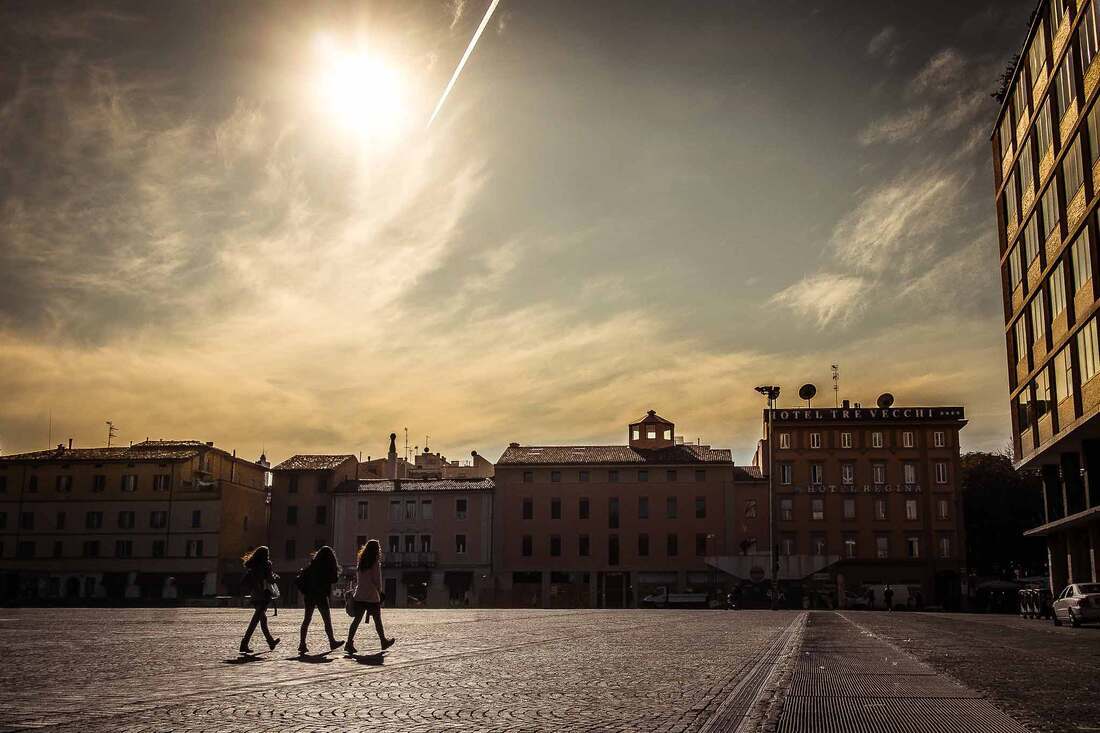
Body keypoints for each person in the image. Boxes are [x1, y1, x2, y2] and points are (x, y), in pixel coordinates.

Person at [345, 539, 395, 655]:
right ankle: (383, 641)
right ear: (376, 550)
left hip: (360, 594)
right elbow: (377, 579)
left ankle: (348, 643)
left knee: (356, 621)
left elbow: (360, 579)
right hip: (372, 595)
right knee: (378, 620)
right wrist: (380, 591)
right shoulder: (375, 562)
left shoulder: (361, 561)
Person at [297, 545, 345, 654]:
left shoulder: (312, 564)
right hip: (321, 596)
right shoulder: (327, 567)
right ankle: (332, 641)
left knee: (307, 620)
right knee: (327, 620)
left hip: (309, 595)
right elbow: (334, 579)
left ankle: (302, 644)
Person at [240, 546, 281, 653]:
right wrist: (275, 577)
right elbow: (270, 579)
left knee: (263, 619)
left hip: (255, 594)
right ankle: (244, 643)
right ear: (265, 554)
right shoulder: (266, 564)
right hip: (263, 595)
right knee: (255, 621)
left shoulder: (253, 565)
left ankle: (270, 642)